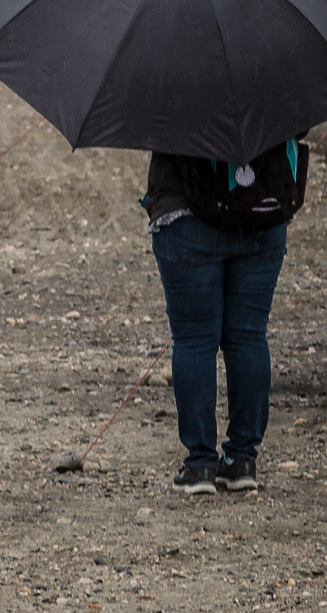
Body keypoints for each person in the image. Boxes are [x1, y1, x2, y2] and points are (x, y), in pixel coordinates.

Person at [144, 139, 307, 494]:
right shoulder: (277, 83)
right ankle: (242, 460)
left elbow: (151, 124)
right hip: (263, 209)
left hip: (185, 215)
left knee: (194, 340)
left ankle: (200, 464)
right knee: (248, 335)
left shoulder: (174, 82)